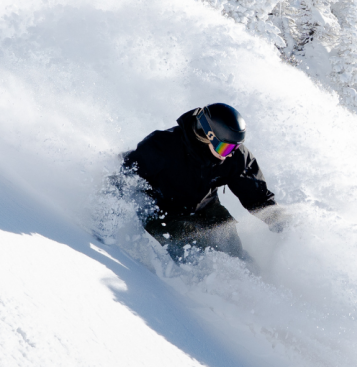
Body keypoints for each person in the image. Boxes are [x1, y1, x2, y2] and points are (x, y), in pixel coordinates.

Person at [120, 103, 281, 261]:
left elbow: (255, 194)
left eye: (236, 147)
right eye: (226, 148)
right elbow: (125, 175)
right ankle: (189, 282)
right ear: (209, 136)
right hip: (162, 211)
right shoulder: (163, 146)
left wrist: (277, 219)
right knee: (192, 249)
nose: (231, 154)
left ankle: (247, 270)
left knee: (229, 243)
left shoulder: (235, 157)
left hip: (204, 207)